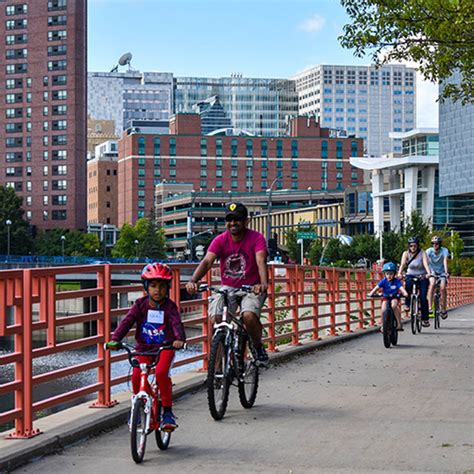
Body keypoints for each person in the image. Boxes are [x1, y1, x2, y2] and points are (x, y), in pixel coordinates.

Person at [185, 202, 269, 366]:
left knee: (248, 316)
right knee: (217, 318)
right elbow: (207, 262)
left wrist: (263, 283)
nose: (232, 223)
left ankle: (258, 347)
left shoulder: (256, 238)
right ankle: (216, 369)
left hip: (251, 287)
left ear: (246, 221)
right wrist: (193, 280)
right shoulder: (220, 240)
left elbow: (261, 261)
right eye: (229, 220)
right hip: (228, 288)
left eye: (237, 219)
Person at [106, 263, 185, 432]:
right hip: (143, 348)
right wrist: (115, 338)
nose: (158, 290)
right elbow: (127, 322)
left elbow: (176, 324)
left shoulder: (170, 307)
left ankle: (167, 412)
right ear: (146, 287)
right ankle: (144, 404)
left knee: (161, 373)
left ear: (168, 288)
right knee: (136, 377)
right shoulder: (140, 305)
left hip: (165, 347)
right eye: (153, 286)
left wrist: (179, 339)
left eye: (162, 286)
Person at [397, 237, 432, 327]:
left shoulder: (422, 253)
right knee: (408, 286)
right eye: (411, 246)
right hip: (410, 274)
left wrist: (428, 273)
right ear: (409, 246)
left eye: (415, 245)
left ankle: (425, 319)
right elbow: (403, 264)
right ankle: (408, 304)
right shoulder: (406, 253)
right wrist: (400, 273)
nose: (413, 247)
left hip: (422, 275)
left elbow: (425, 263)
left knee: (423, 297)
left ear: (417, 245)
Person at [368, 262, 408, 331]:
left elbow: (401, 287)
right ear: (384, 274)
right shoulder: (383, 281)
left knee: (394, 306)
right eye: (387, 274)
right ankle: (383, 325)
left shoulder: (396, 281)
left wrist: (405, 293)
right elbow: (377, 287)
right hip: (386, 297)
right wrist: (371, 293)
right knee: (383, 309)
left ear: (394, 274)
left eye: (391, 274)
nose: (389, 276)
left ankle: (398, 323)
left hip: (394, 297)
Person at [426, 236, 450, 319]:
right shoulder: (429, 251)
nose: (434, 245)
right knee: (432, 284)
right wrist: (427, 272)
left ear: (439, 244)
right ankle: (429, 307)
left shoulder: (444, 250)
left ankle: (443, 309)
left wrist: (446, 272)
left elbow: (445, 261)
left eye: (436, 243)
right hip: (432, 271)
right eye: (433, 243)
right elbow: (426, 261)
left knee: (443, 288)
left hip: (442, 271)